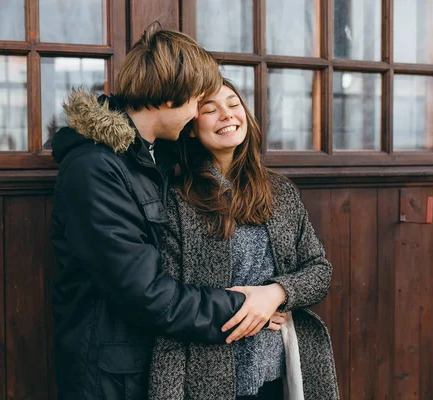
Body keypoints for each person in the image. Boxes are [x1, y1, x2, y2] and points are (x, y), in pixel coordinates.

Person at [50, 27, 284, 400]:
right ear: (172, 96)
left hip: (145, 363)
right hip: (108, 375)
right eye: (198, 102)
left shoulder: (152, 157)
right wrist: (245, 307)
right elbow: (143, 292)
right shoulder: (95, 169)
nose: (197, 116)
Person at [148, 79, 340, 400]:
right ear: (191, 128)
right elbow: (170, 301)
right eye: (210, 110)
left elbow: (319, 271)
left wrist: (276, 293)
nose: (227, 115)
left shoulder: (279, 191)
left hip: (278, 370)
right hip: (208, 376)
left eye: (234, 104)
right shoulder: (179, 200)